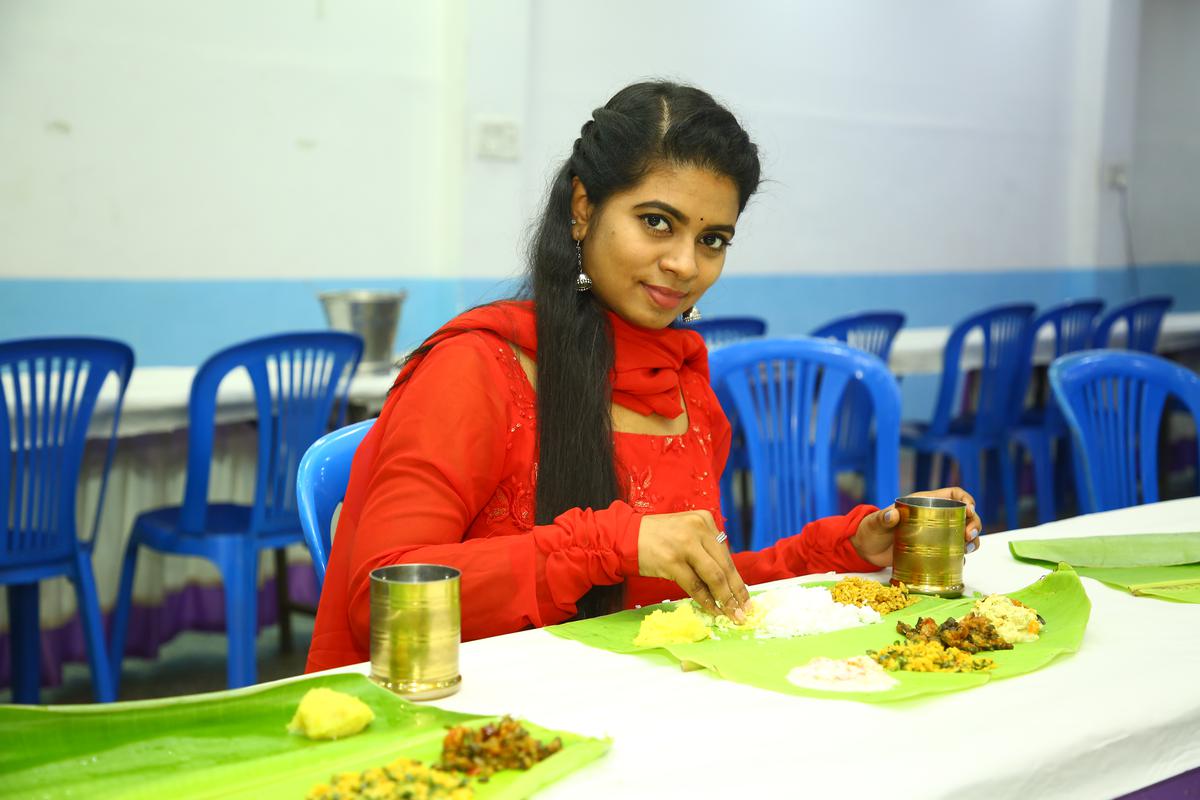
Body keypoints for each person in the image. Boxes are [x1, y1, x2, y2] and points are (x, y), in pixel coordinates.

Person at [306, 81, 981, 672]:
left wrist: (847, 547)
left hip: (652, 713)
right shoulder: (479, 369)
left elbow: (684, 595)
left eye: (712, 239)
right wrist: (608, 542)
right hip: (487, 725)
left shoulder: (681, 381)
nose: (685, 264)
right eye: (656, 223)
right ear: (582, 207)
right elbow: (381, 595)